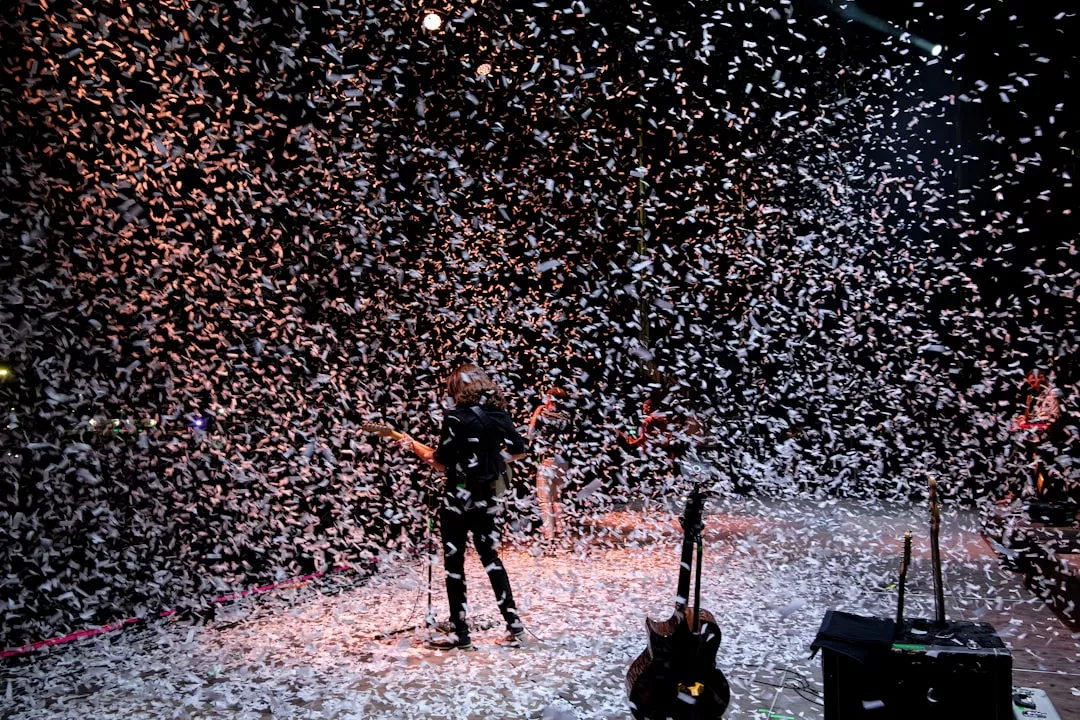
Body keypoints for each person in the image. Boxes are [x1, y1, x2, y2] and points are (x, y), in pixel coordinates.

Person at [400, 362, 528, 650]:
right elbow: (519, 450)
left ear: (456, 388)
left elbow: (439, 462)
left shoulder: (455, 417)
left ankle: (461, 633)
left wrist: (412, 446)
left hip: (457, 497)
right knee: (490, 557)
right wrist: (490, 461)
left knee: (454, 563)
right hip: (487, 496)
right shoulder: (497, 413)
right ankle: (514, 625)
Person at [528, 386, 574, 542]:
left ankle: (549, 536)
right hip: (563, 460)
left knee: (544, 499)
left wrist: (536, 413)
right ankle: (561, 532)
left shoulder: (543, 414)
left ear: (549, 398)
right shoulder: (567, 416)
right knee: (557, 498)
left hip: (547, 460)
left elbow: (530, 435)